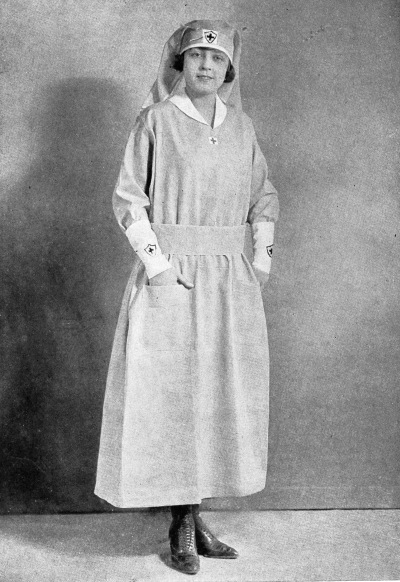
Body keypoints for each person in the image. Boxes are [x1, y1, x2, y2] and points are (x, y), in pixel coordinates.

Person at [95, 20, 279, 575]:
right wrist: (157, 266)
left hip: (228, 278)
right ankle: (181, 523)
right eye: (197, 55)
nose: (206, 66)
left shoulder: (242, 127)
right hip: (172, 273)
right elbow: (129, 199)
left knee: (216, 395)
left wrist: (261, 256)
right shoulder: (155, 120)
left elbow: (263, 194)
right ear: (181, 62)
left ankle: (196, 518)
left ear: (229, 70)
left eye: (217, 59)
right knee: (172, 397)